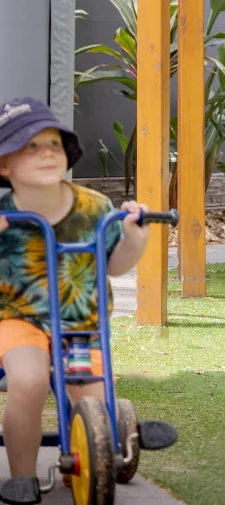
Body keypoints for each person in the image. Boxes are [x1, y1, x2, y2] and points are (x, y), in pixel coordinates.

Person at [0, 97, 151, 505]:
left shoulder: (94, 208)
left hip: (80, 325)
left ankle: (92, 454)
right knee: (28, 382)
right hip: (19, 319)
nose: (46, 152)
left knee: (93, 401)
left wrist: (135, 240)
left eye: (52, 143)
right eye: (29, 146)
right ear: (4, 166)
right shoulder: (1, 214)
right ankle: (22, 477)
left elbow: (114, 267)